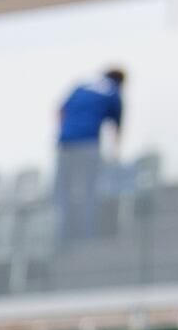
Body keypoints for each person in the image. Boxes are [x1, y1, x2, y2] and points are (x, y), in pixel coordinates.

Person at [53, 64, 130, 247]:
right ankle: (87, 236)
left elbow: (60, 111)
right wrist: (115, 155)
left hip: (65, 144)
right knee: (89, 190)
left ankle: (65, 236)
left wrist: (66, 131)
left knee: (64, 191)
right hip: (88, 145)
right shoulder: (113, 93)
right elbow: (116, 128)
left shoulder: (81, 87)